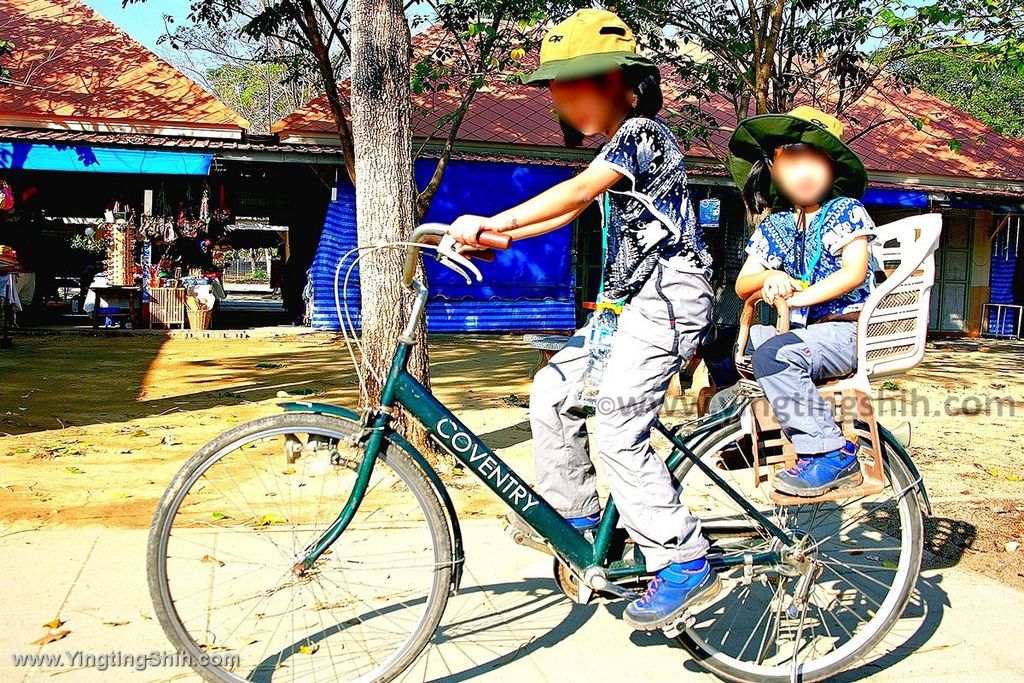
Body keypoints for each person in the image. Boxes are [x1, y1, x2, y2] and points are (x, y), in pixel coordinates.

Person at [446, 9, 719, 630]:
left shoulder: (645, 135)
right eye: (560, 92)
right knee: (552, 391)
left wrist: (500, 222)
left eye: (583, 85)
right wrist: (496, 235)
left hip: (669, 295)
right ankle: (577, 518)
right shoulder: (616, 152)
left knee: (619, 424)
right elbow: (565, 216)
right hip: (627, 304)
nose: (569, 101)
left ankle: (682, 556)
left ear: (625, 83)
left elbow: (574, 193)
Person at [728, 106, 876, 497]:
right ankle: (754, 432)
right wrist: (769, 277)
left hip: (846, 331)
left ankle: (830, 451)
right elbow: (744, 283)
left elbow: (854, 271)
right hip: (804, 333)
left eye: (816, 160)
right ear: (773, 168)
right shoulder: (775, 226)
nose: (805, 172)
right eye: (793, 160)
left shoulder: (845, 211)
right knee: (729, 346)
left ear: (833, 169)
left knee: (775, 355)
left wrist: (799, 299)